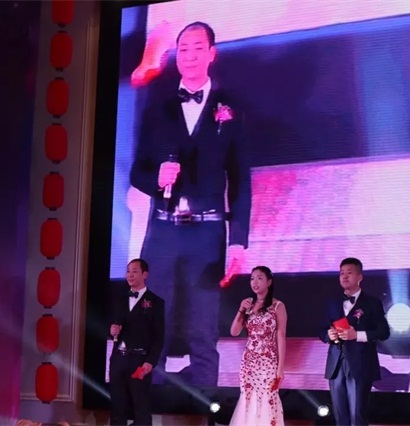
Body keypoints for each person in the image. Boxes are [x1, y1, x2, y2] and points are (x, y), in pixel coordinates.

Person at [130, 21, 251, 387]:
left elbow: (240, 178)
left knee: (202, 330)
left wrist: (238, 241)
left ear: (212, 54)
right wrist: (156, 179)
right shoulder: (159, 106)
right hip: (163, 231)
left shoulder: (231, 107)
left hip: (207, 233)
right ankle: (148, 406)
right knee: (154, 328)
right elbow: (137, 172)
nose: (190, 55)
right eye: (183, 49)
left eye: (198, 48)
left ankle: (204, 407)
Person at [319, 257, 390, 426]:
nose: (344, 276)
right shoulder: (332, 302)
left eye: (349, 273)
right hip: (336, 364)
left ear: (360, 277)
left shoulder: (372, 303)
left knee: (357, 415)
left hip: (361, 364)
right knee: (340, 416)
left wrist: (357, 335)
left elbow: (383, 332)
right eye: (341, 273)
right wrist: (329, 335)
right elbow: (322, 330)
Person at [109, 259, 165, 426]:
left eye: (134, 271)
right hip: (119, 359)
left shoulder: (156, 302)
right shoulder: (119, 298)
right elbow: (111, 324)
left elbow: (159, 336)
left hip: (139, 361)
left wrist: (150, 362)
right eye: (128, 271)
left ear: (144, 274)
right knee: (117, 408)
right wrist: (111, 330)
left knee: (141, 409)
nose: (130, 275)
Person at [228, 266, 287, 426]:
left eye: (260, 278)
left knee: (268, 398)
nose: (255, 282)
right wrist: (241, 309)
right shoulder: (248, 305)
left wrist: (280, 368)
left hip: (268, 361)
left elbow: (281, 337)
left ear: (269, 282)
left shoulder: (278, 306)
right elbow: (234, 331)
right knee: (248, 398)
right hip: (249, 361)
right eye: (252, 278)